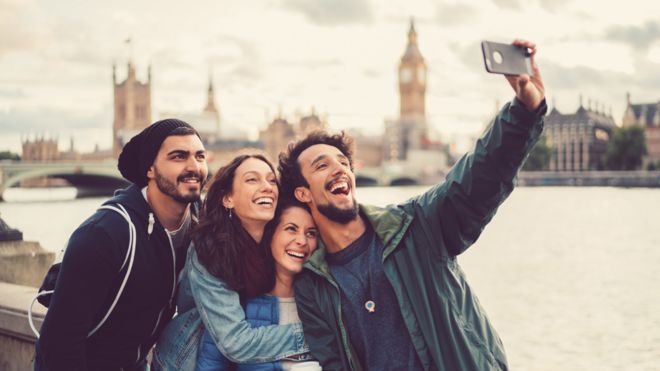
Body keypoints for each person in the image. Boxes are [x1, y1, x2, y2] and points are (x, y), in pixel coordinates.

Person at [277, 39, 546, 370]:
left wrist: (524, 111)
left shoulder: (417, 226)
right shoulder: (311, 285)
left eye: (343, 162)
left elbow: (481, 176)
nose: (339, 168)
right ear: (303, 193)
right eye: (322, 165)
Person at [35, 118, 209, 371]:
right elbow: (58, 344)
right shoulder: (105, 234)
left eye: (200, 156)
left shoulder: (201, 219)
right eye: (178, 157)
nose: (194, 166)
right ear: (150, 169)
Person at [153, 155, 309, 371]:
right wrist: (318, 335)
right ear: (228, 199)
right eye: (252, 180)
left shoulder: (280, 241)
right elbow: (236, 343)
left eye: (271, 180)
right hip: (188, 356)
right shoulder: (209, 250)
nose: (266, 187)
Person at [195, 197, 321, 371]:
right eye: (291, 229)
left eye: (311, 233)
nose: (302, 241)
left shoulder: (324, 304)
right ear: (270, 236)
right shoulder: (235, 309)